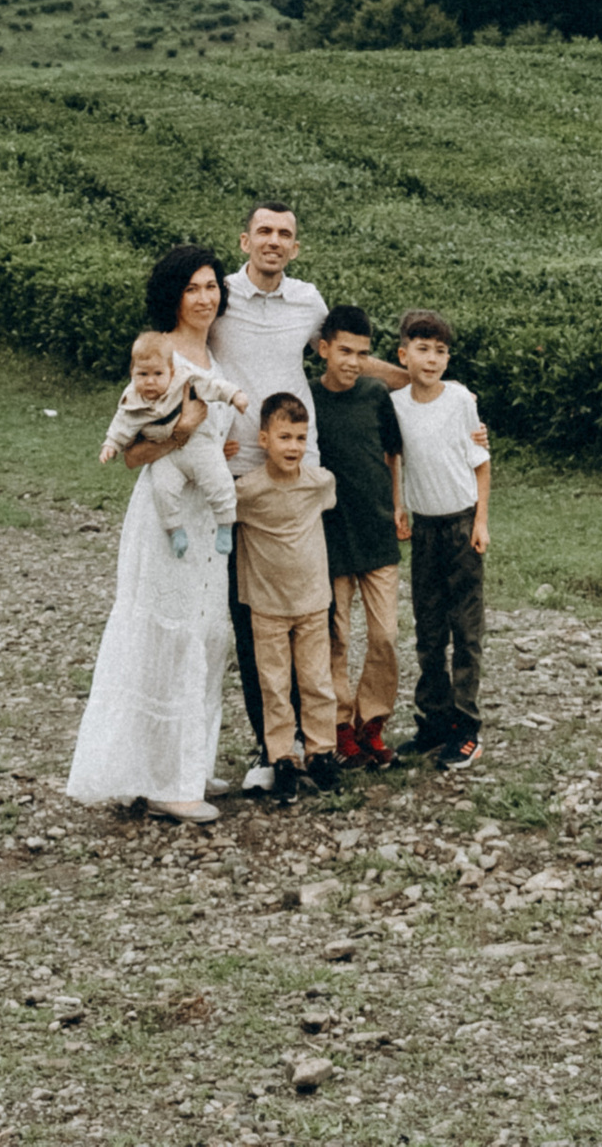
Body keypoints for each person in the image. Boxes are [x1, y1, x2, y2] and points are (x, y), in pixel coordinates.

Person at [217, 201, 406, 795]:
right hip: (241, 477)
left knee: (314, 616)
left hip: (304, 474)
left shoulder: (309, 301)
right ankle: (272, 745)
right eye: (264, 232)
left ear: (295, 247)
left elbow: (345, 356)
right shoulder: (219, 297)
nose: (274, 241)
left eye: (285, 234)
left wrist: (419, 382)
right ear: (245, 240)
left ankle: (318, 739)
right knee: (254, 619)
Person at [65, 241, 239, 824]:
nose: (204, 297)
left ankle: (186, 759)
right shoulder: (156, 355)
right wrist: (184, 433)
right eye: (192, 287)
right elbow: (133, 454)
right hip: (166, 515)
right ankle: (160, 779)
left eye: (211, 285)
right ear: (172, 294)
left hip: (208, 515)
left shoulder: (217, 357)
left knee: (209, 632)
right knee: (163, 631)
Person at [393, 310, 489, 770]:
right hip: (424, 527)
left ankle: (466, 727)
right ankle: (433, 720)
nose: (432, 359)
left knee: (465, 630)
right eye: (423, 349)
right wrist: (398, 505)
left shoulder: (460, 400)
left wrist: (481, 522)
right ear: (404, 354)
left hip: (461, 522)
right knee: (428, 631)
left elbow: (481, 461)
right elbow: (396, 457)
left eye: (441, 350)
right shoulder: (395, 403)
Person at [232, 394, 341, 799]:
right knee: (275, 685)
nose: (292, 447)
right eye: (284, 437)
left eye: (300, 437)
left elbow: (327, 503)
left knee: (316, 681)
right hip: (267, 606)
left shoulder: (320, 483)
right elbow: (220, 509)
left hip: (313, 601)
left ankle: (321, 753)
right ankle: (282, 758)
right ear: (264, 439)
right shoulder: (247, 491)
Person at [309, 305, 404, 767]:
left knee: (385, 633)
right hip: (331, 535)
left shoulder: (374, 394)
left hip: (378, 530)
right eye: (344, 350)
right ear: (324, 349)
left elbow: (392, 454)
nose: (352, 361)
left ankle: (374, 720)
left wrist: (398, 505)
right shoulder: (307, 399)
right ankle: (341, 725)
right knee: (337, 638)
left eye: (362, 353)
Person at [100, 328, 243, 556]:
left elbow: (213, 387)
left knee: (219, 480)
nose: (150, 382)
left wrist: (235, 396)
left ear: (171, 371)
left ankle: (225, 524)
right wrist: (110, 445)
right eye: (142, 375)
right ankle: (175, 530)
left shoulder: (184, 380)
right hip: (165, 455)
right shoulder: (133, 399)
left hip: (197, 445)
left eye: (158, 374)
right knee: (163, 489)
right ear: (132, 373)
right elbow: (121, 425)